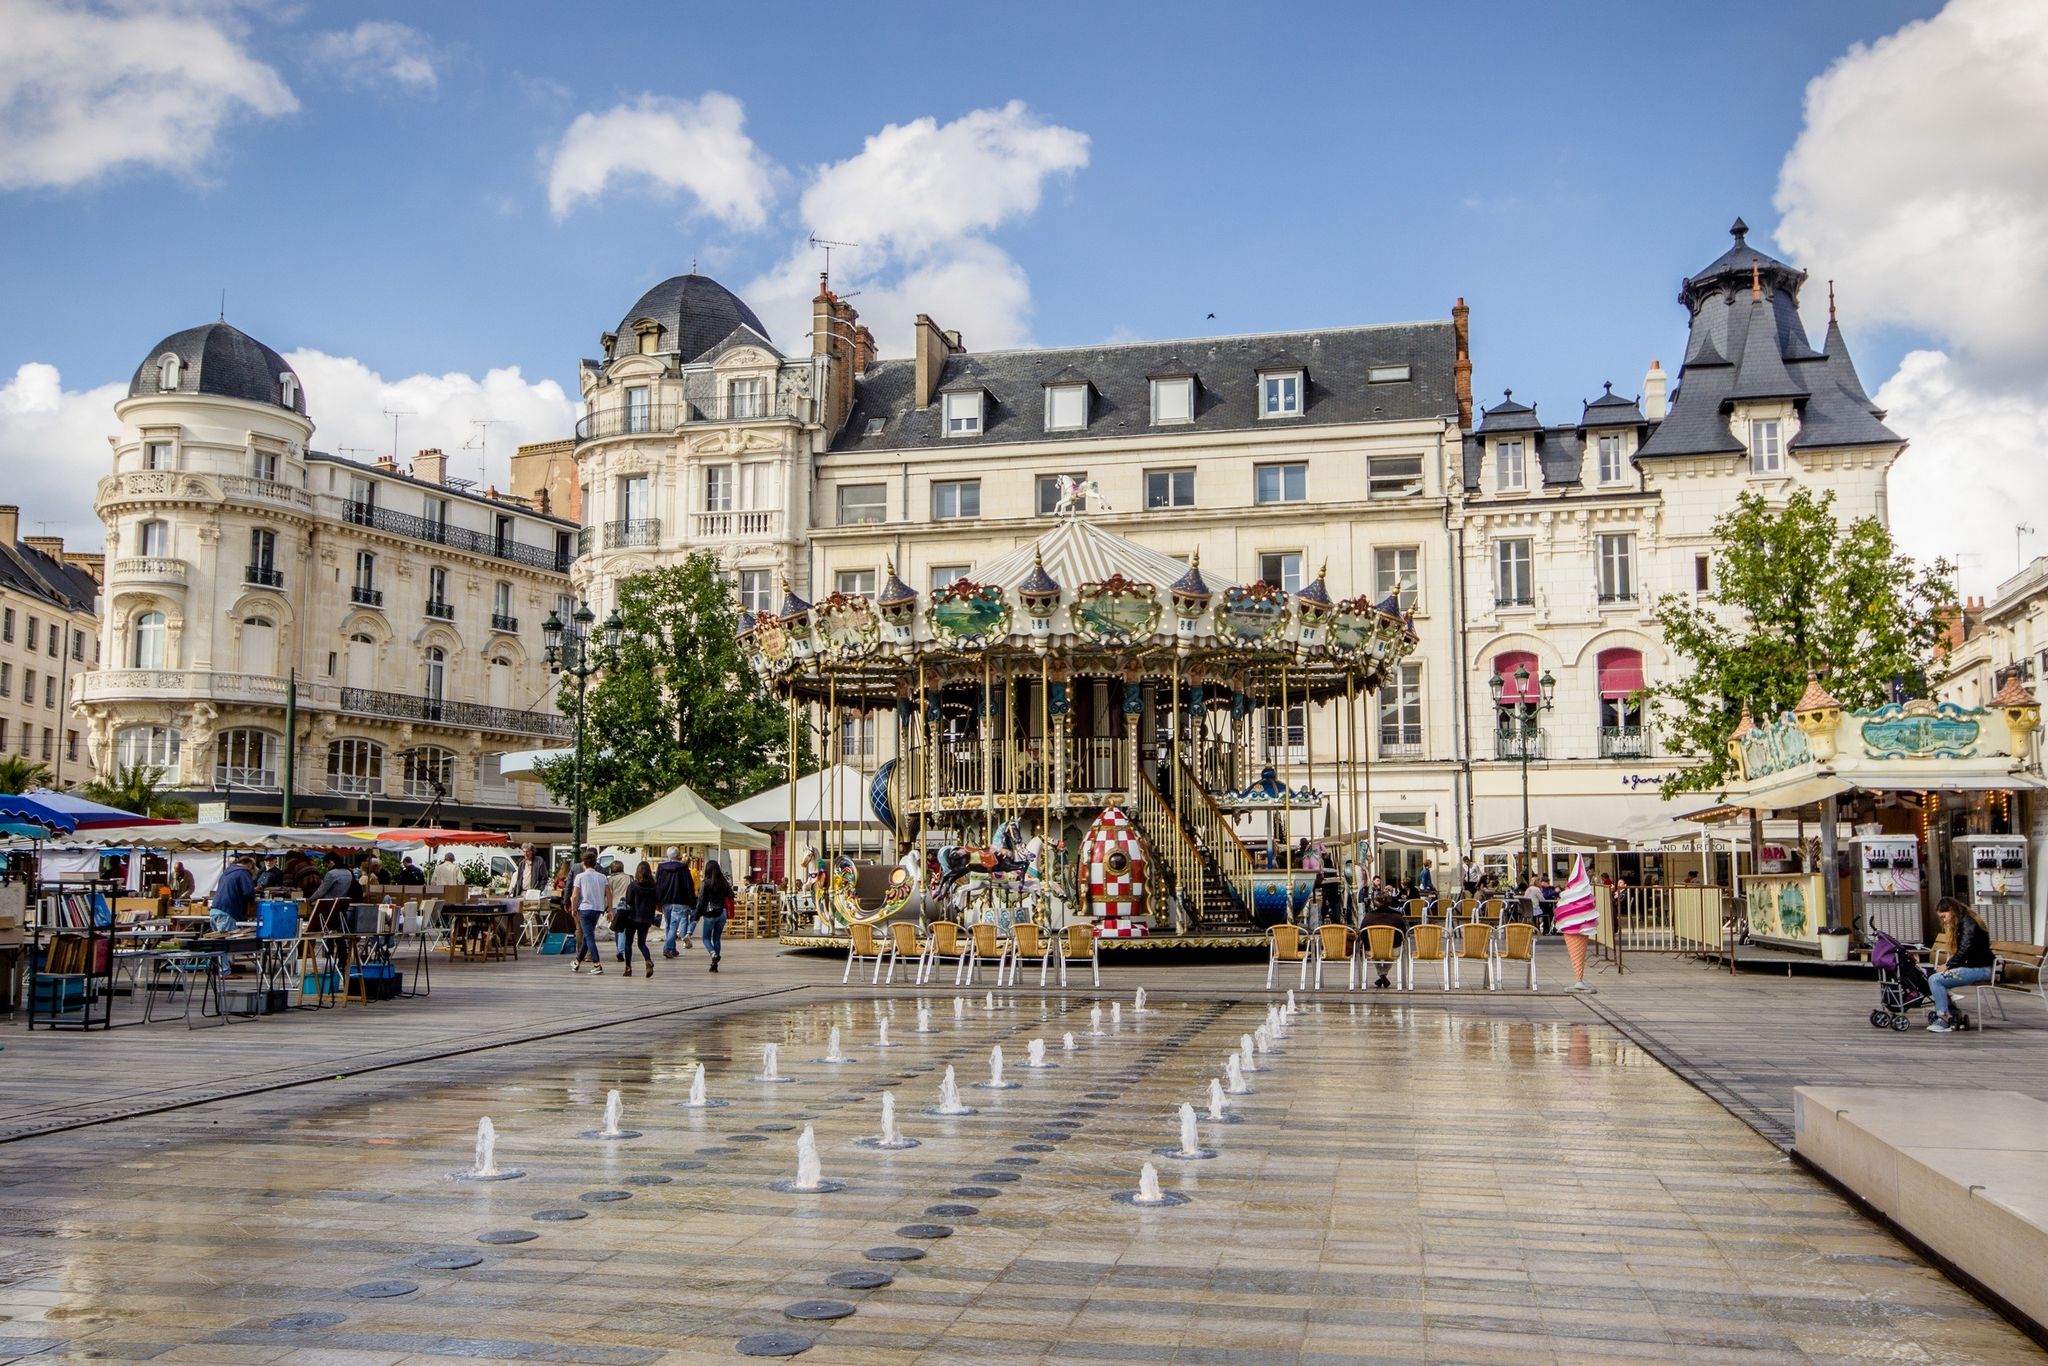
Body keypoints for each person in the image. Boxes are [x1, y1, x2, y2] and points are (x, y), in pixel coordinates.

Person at [1927, 897, 1994, 1033]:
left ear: (1951, 911)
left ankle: (1943, 1019)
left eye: (1944, 916)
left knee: (1935, 980)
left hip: (1979, 969)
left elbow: (1964, 950)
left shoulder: (1968, 923)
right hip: (1976, 966)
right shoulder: (1966, 920)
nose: (1944, 920)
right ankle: (1954, 1014)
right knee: (1934, 976)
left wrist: (1948, 965)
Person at [1554, 855, 1599, 992]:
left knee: (1577, 953)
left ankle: (1579, 979)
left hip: (1575, 920)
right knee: (1578, 953)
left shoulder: (1575, 892)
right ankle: (1579, 979)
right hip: (1576, 920)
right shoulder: (1582, 892)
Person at [1356, 889, 1409, 987]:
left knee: (1372, 950)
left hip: (1372, 950)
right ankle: (1383, 974)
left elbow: (1362, 935)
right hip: (1393, 950)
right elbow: (1404, 935)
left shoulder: (1368, 917)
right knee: (1392, 950)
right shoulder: (1398, 917)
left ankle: (1381, 974)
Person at [568, 851, 610, 973]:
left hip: (585, 908)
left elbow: (575, 896)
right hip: (598, 909)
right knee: (588, 936)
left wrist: (574, 908)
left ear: (583, 864)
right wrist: (610, 909)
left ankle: (597, 964)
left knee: (589, 937)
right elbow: (608, 893)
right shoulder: (602, 877)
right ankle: (577, 962)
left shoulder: (580, 877)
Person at [618, 859, 660, 977]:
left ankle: (628, 968)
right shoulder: (654, 887)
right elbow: (657, 901)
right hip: (646, 919)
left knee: (628, 943)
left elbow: (629, 901)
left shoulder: (633, 885)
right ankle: (648, 960)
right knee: (642, 943)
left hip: (632, 917)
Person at [656, 846, 696, 959]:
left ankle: (672, 949)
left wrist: (657, 901)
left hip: (665, 900)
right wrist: (692, 902)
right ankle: (668, 948)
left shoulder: (661, 867)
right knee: (673, 925)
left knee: (668, 924)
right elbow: (689, 886)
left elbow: (658, 885)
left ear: (668, 855)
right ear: (678, 855)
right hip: (679, 900)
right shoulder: (683, 868)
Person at [697, 858, 733, 971]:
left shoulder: (706, 883)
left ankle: (713, 954)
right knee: (716, 938)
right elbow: (731, 894)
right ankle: (714, 965)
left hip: (710, 913)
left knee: (706, 938)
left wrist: (696, 915)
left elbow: (701, 900)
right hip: (722, 912)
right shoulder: (723, 882)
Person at [210, 854, 257, 931]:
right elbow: (248, 892)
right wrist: (252, 901)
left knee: (219, 941)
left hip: (215, 910)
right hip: (228, 912)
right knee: (229, 941)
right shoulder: (243, 872)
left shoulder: (226, 873)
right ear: (249, 865)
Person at [606, 858, 634, 960]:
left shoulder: (610, 880)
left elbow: (608, 894)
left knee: (617, 929)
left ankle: (619, 949)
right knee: (623, 929)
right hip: (626, 905)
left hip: (614, 905)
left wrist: (608, 909)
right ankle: (621, 951)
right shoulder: (629, 878)